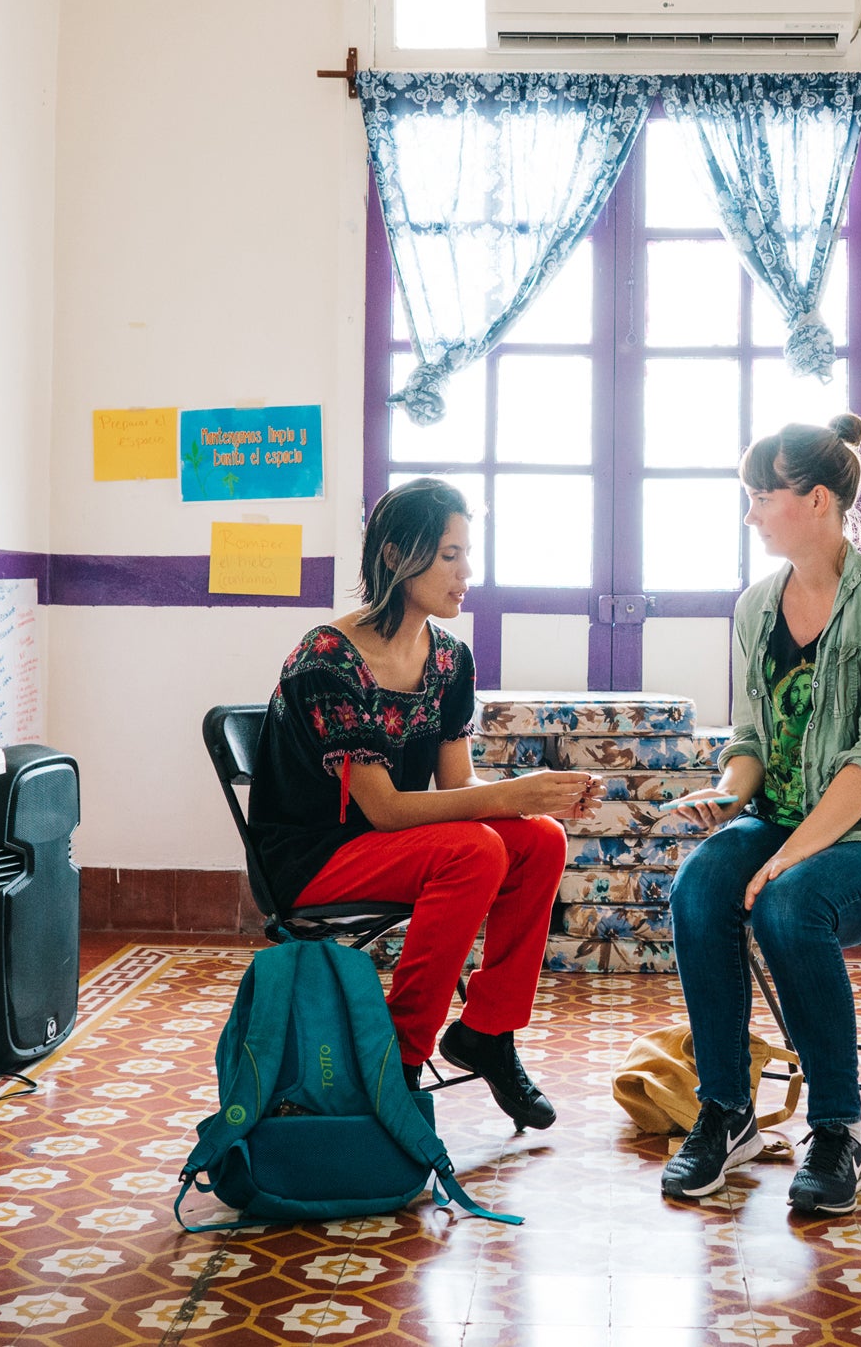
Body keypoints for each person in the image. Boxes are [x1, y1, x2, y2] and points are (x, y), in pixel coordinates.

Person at [658, 413, 861, 1215]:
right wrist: (729, 793)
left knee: (790, 903)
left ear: (817, 499)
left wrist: (786, 860)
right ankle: (727, 1112)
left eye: (762, 496)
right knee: (696, 888)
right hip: (785, 823)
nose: (751, 513)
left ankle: (838, 1131)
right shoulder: (755, 607)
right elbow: (752, 738)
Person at [247, 477, 603, 1131]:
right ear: (394, 556)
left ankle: (488, 1034)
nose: (468, 573)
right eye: (449, 555)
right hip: (312, 855)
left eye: (468, 554)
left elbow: (457, 785)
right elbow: (382, 809)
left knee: (540, 839)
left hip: (389, 848)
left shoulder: (448, 659)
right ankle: (401, 1057)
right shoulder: (328, 658)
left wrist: (533, 799)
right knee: (475, 851)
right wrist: (511, 795)